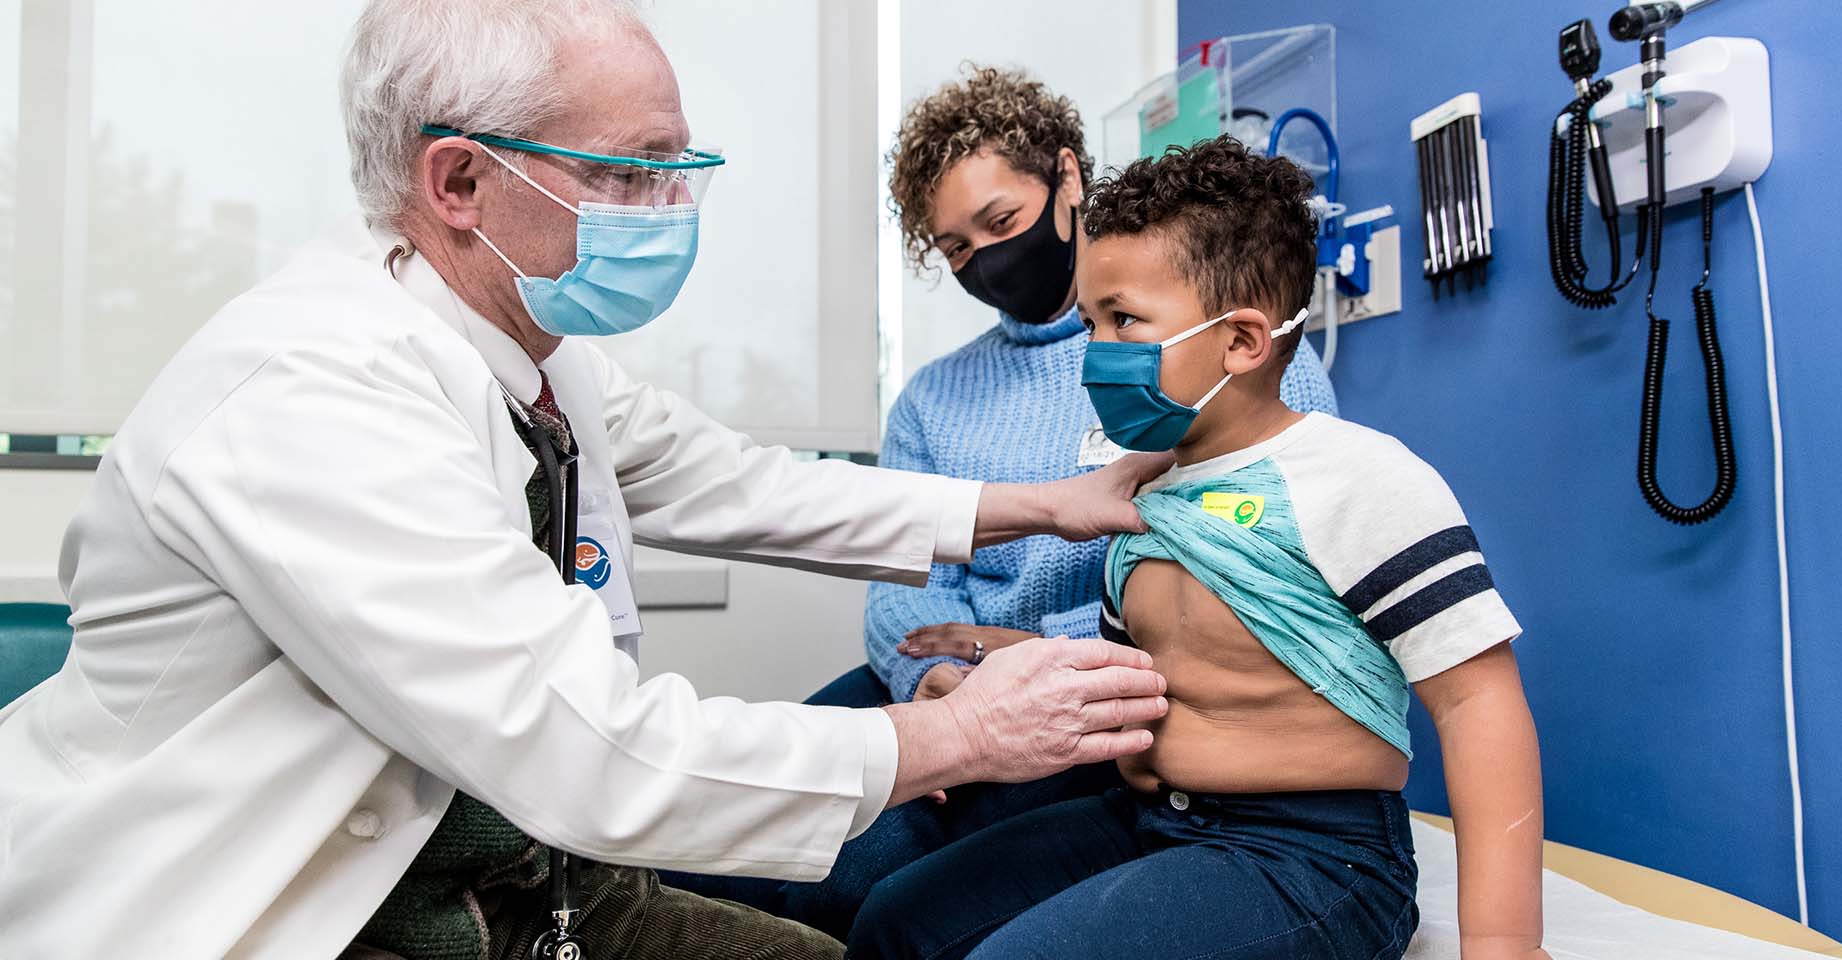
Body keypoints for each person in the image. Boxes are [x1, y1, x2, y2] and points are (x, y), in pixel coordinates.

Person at [0, 4, 1175, 958]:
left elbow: (744, 485)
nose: (671, 211)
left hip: (509, 872)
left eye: (680, 169)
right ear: (458, 182)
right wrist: (959, 738)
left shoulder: (526, 356)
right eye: (630, 173)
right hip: (276, 905)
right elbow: (588, 751)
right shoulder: (312, 396)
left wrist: (1042, 505)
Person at [661, 66, 1337, 939]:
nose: (984, 259)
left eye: (1000, 222)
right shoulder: (935, 398)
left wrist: (1028, 654)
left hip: (1094, 690)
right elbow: (902, 578)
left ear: (1067, 178)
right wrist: (928, 677)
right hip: (937, 676)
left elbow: (1248, 582)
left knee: (848, 877)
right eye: (954, 248)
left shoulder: (1214, 363)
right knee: (721, 832)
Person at [845, 138, 1548, 960]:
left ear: (1243, 341)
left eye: (1124, 323)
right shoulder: (1137, 495)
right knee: (895, 919)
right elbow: (1159, 679)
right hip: (1149, 818)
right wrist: (1008, 670)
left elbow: (1478, 705)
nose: (1094, 355)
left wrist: (1503, 945)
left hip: (1313, 856)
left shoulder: (1359, 481)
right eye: (1091, 323)